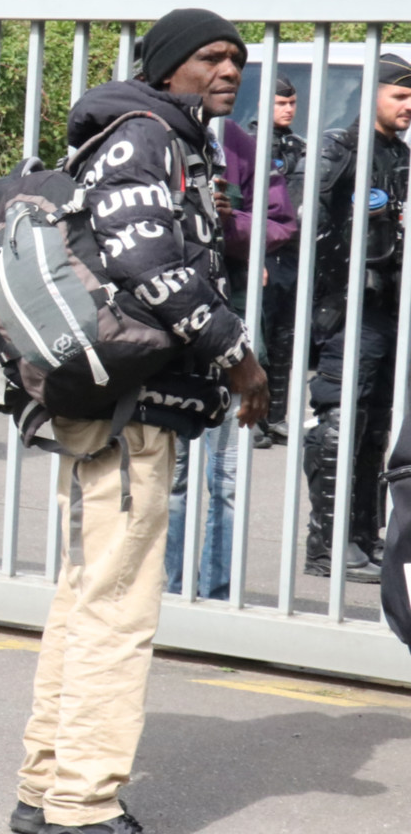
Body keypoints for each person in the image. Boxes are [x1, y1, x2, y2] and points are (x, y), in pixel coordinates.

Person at [10, 8, 270, 834]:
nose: (227, 70)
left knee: (86, 593)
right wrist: (238, 356)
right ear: (167, 68)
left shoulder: (164, 137)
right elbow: (146, 261)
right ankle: (82, 805)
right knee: (117, 606)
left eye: (235, 58)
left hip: (118, 404)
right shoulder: (147, 139)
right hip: (132, 411)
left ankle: (45, 786)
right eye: (209, 57)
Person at [165, 119, 296, 601]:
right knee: (169, 479)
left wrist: (227, 221)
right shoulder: (148, 135)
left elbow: (282, 224)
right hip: (166, 336)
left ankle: (217, 596)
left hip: (232, 330)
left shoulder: (241, 144)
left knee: (226, 479)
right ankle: (170, 592)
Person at [301, 54, 411, 584]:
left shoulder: (401, 157)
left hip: (392, 310)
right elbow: (310, 226)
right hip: (348, 309)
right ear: (372, 95)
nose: (409, 106)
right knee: (339, 423)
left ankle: (362, 540)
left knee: (375, 429)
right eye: (399, 96)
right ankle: (326, 544)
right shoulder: (339, 150)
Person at [254, 75, 306, 448]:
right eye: (279, 103)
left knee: (286, 339)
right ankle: (253, 418)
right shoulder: (248, 144)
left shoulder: (300, 147)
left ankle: (277, 417)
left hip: (295, 253)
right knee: (260, 338)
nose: (287, 109)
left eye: (291, 103)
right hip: (263, 254)